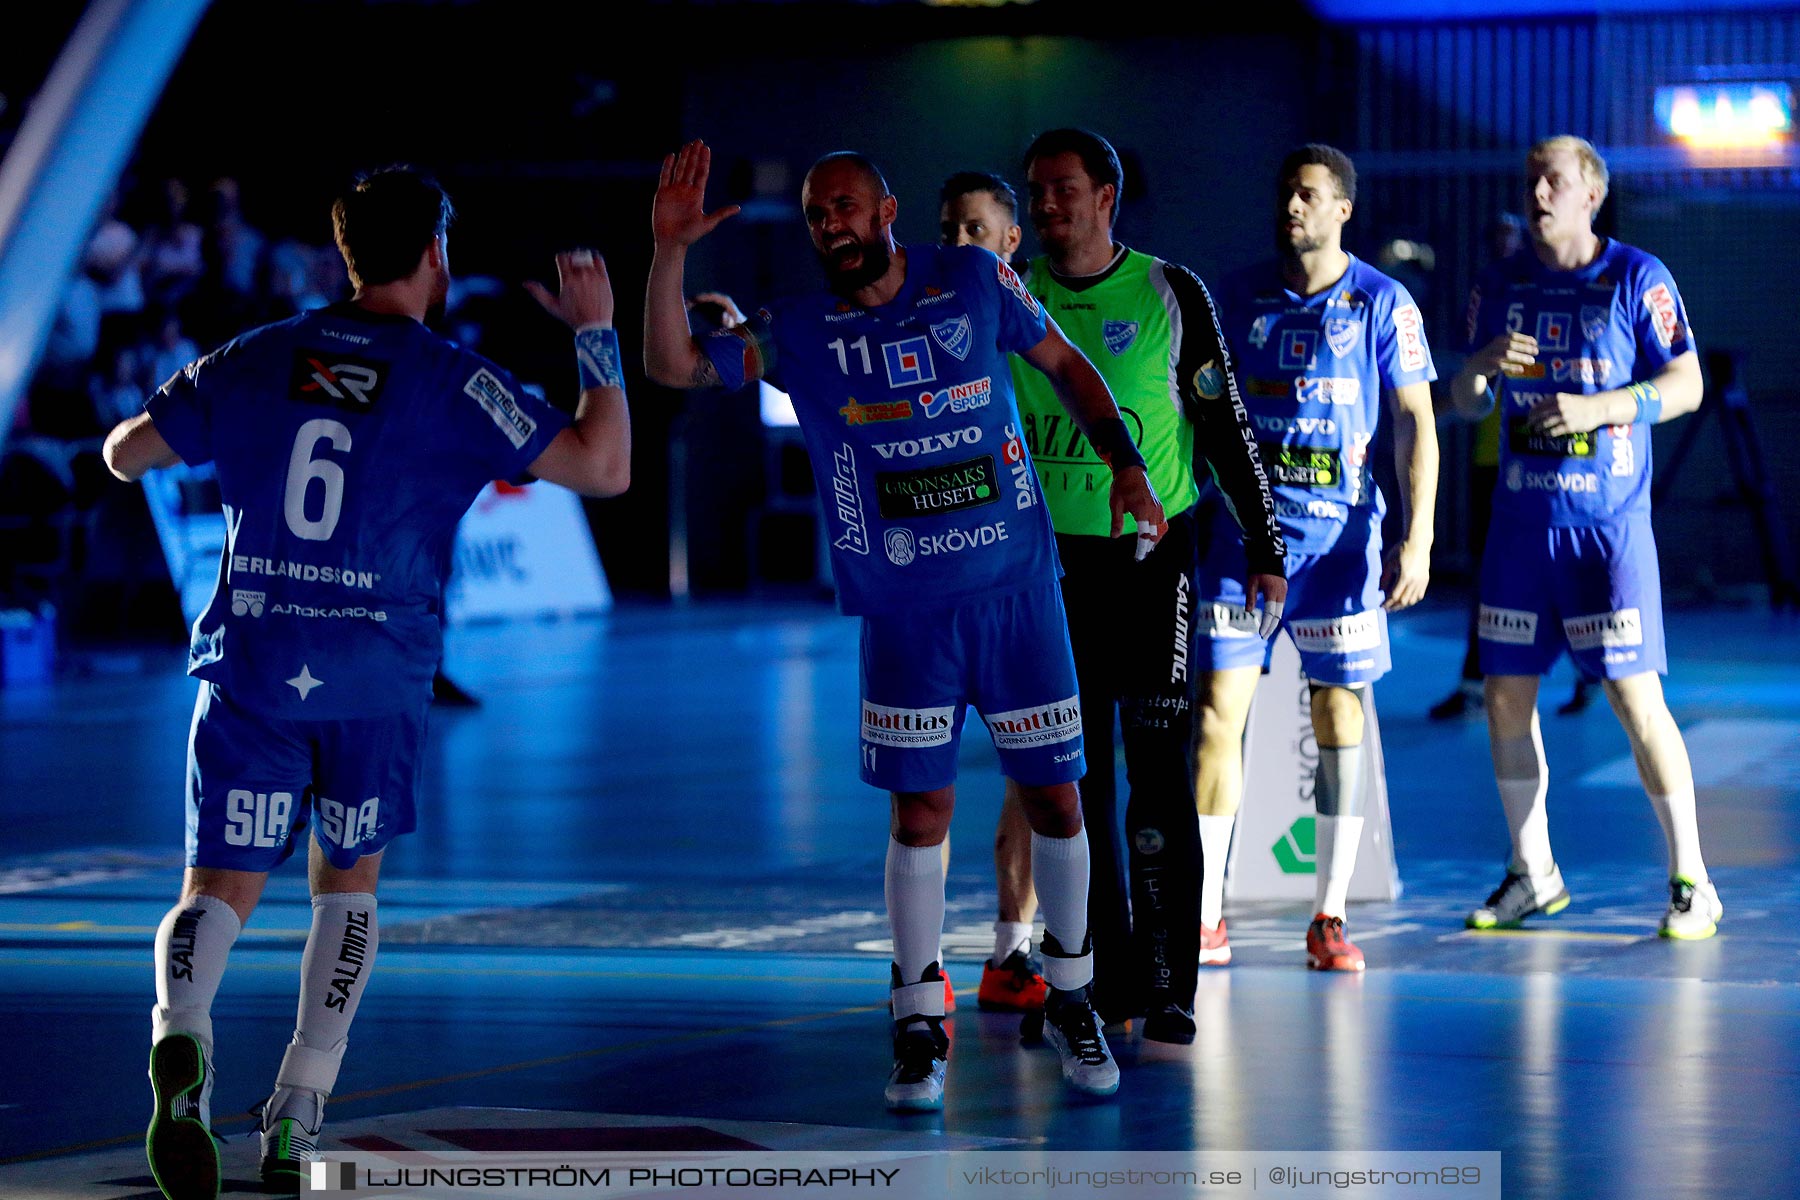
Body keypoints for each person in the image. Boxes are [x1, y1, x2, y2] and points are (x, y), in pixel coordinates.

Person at [104, 166, 632, 1200]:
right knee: (347, 889)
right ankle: (298, 1111)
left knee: (215, 890)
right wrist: (595, 331)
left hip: (255, 661)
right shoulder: (453, 379)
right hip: (375, 676)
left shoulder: (256, 354)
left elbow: (127, 456)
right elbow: (604, 467)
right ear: (436, 251)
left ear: (346, 252)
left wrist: (206, 417)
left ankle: (181, 1042)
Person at [644, 140, 1170, 1110]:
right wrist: (670, 251)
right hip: (904, 613)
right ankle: (918, 1019)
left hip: (1018, 593)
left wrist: (1125, 462)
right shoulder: (798, 329)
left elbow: (1066, 363)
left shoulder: (973, 278)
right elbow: (673, 364)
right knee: (919, 813)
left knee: (1059, 799)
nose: (830, 223)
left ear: (887, 213)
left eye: (844, 205)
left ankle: (1072, 993)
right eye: (814, 213)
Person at [1011, 130, 1286, 1037]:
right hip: (1048, 571)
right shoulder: (1015, 296)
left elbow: (1224, 421)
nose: (1047, 207)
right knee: (1068, 780)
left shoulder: (1171, 293)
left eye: (1064, 191)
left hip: (1150, 561)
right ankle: (1089, 983)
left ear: (1107, 197)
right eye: (1035, 193)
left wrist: (1263, 542)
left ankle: (1168, 980)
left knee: (1158, 772)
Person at [1451, 136, 1721, 938]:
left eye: (1555, 179)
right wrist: (1483, 365)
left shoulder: (1639, 277)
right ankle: (1532, 871)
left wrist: (1604, 409)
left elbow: (1688, 382)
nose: (1538, 189)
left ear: (1591, 195)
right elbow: (1464, 402)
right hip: (1519, 533)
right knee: (1505, 697)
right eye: (1531, 175)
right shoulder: (1499, 282)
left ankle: (1693, 879)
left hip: (1607, 531)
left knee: (1636, 701)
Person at [1193, 144, 1440, 972]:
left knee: (1339, 715)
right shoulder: (1235, 295)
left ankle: (1329, 915)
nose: (1290, 207)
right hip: (1241, 542)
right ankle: (1205, 916)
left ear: (1342, 210)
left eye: (1308, 195)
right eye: (1284, 193)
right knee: (1217, 716)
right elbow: (1198, 409)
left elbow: (1415, 421)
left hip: (1339, 547)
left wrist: (1419, 535)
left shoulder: (1382, 301)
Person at [935, 170, 1047, 1016]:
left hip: (1041, 572)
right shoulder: (922, 315)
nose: (960, 246)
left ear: (1012, 240)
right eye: (949, 231)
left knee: (1040, 774)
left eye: (977, 230)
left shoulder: (1037, 316)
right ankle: (958, 958)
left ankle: (1031, 950)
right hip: (945, 577)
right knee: (930, 782)